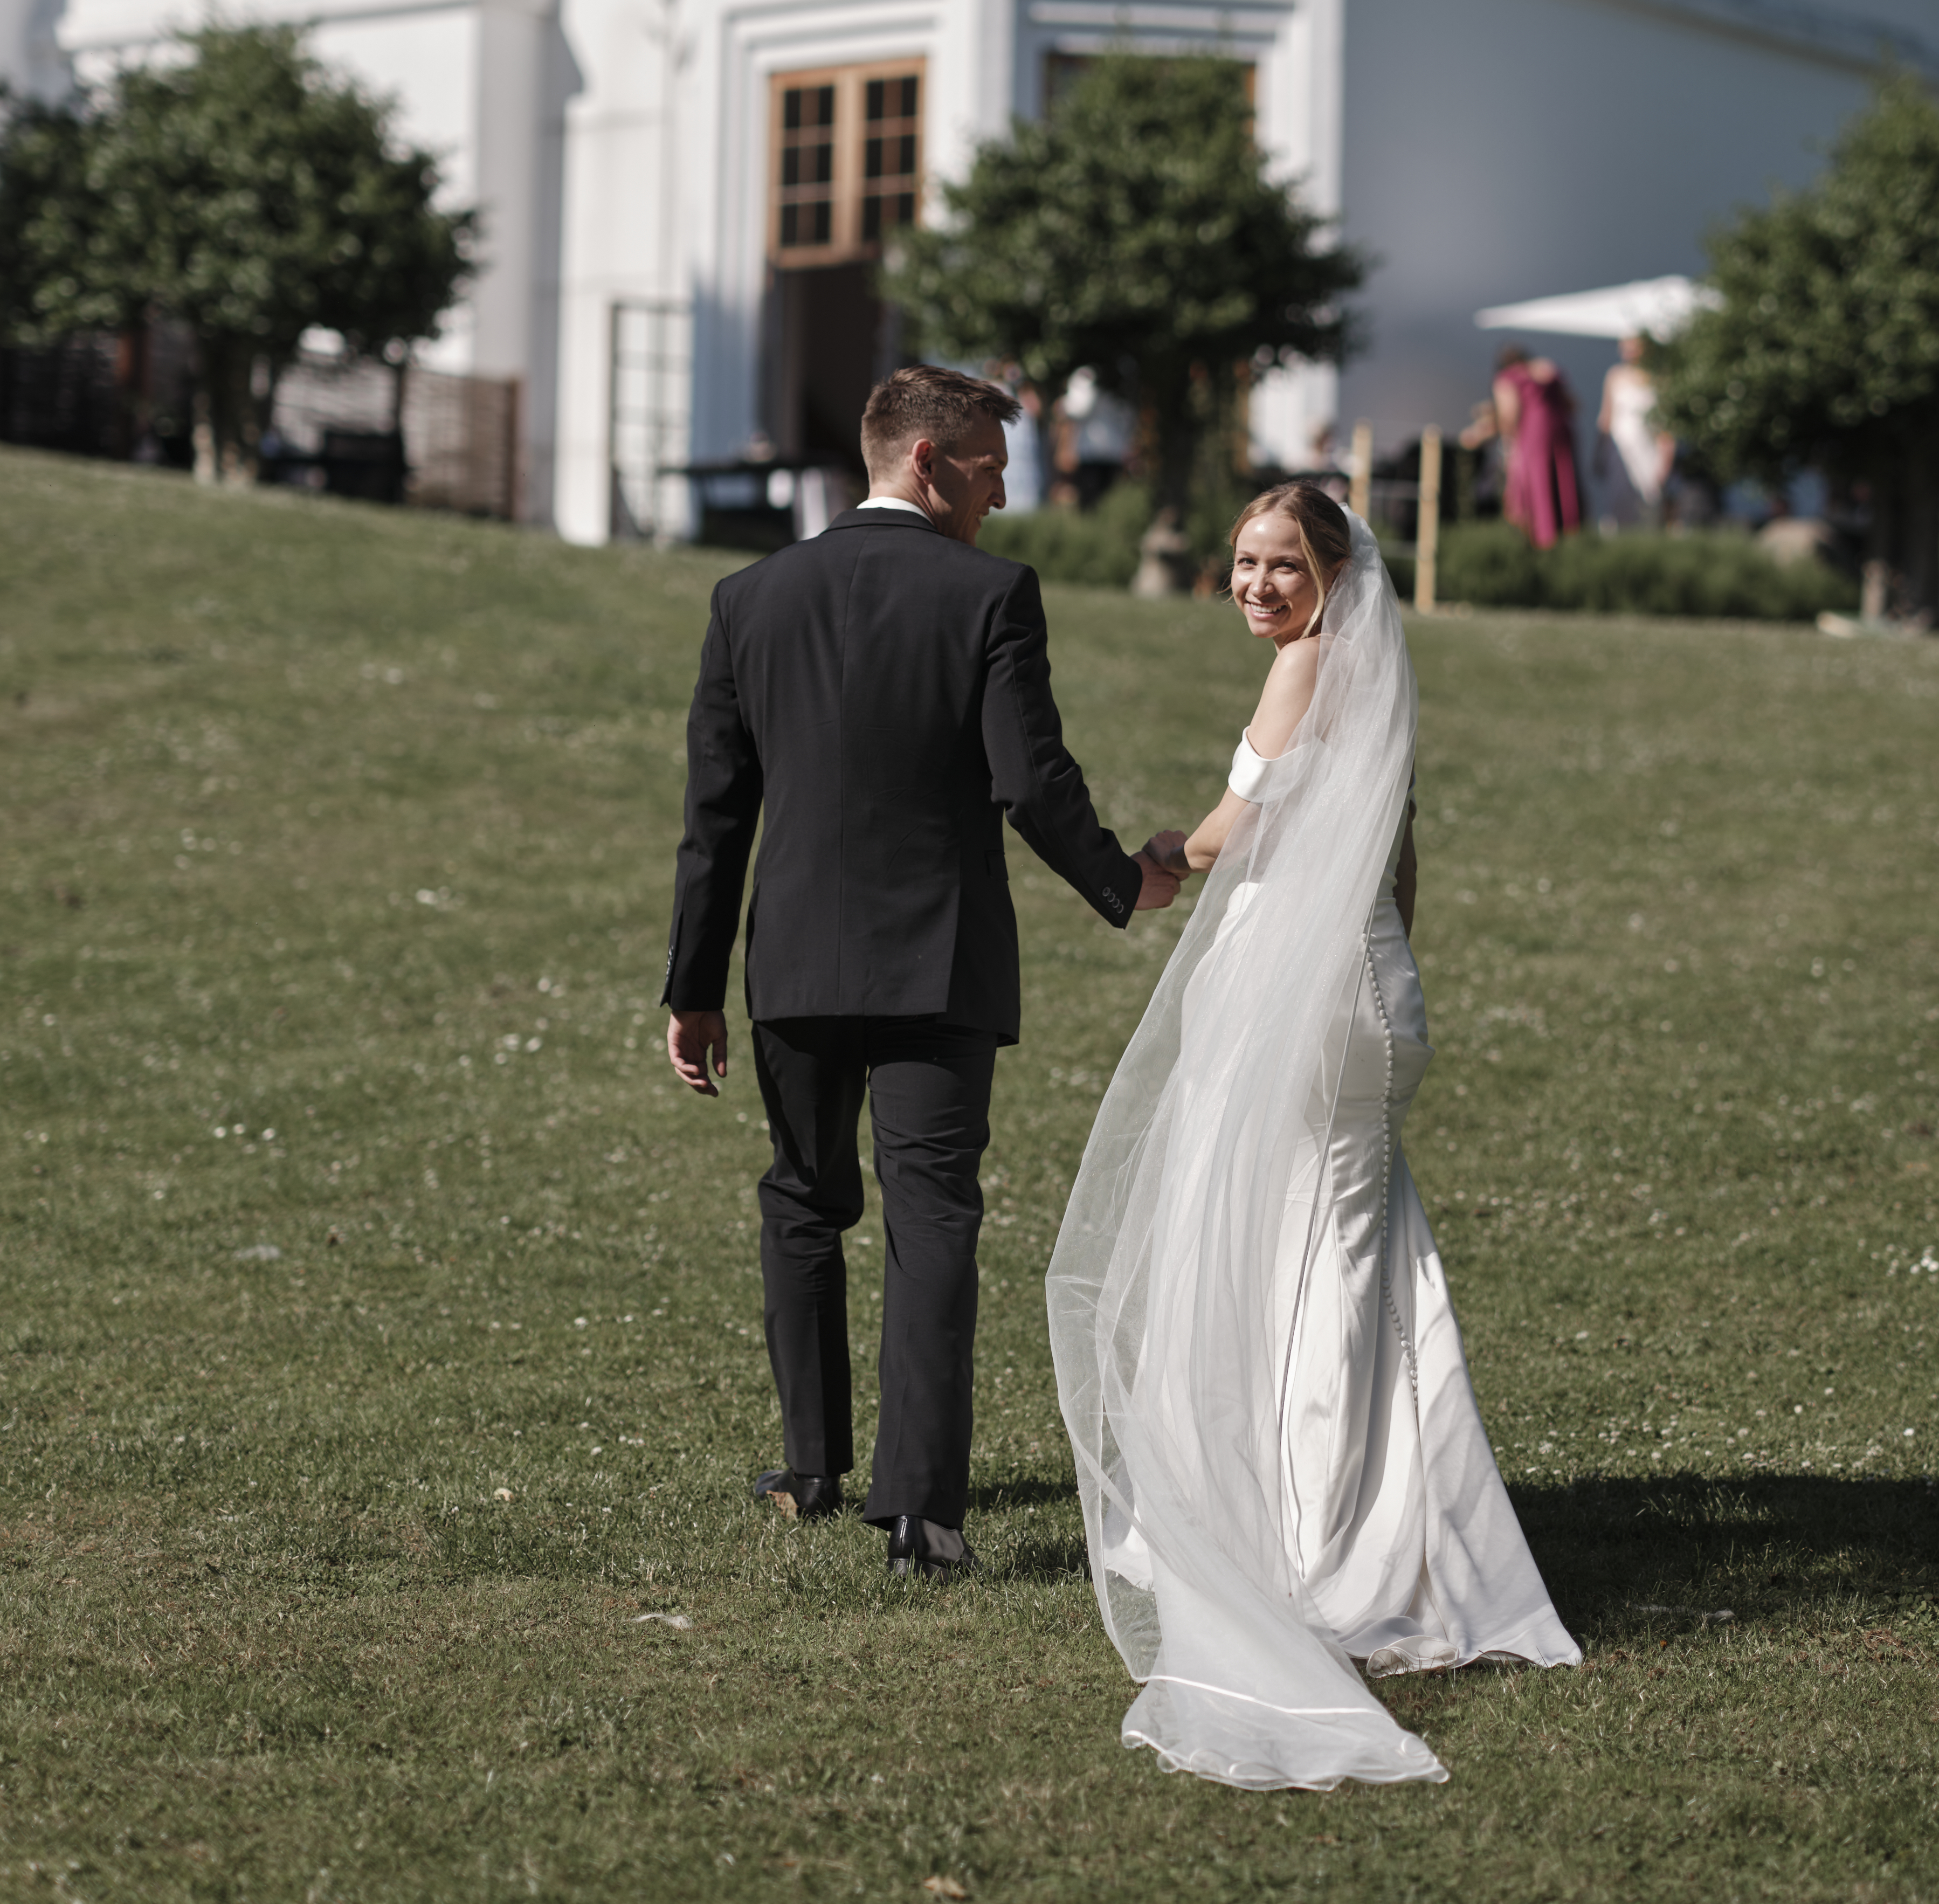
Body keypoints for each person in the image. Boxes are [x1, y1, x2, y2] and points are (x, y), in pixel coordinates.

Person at [1047, 484, 1579, 1790]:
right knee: (1343, 1254)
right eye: (1243, 561)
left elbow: (1245, 821)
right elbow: (1399, 850)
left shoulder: (1307, 666)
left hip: (1320, 996)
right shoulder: (1372, 670)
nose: (1256, 585)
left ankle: (1335, 1561)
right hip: (1360, 980)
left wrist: (1167, 849)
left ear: (1335, 571)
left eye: (1283, 563)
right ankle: (1398, 1539)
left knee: (1316, 1262)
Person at [663, 364, 1181, 1579]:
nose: (1002, 497)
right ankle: (923, 1517)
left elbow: (715, 816)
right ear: (929, 462)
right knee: (933, 1214)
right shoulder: (992, 594)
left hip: (792, 961)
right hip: (939, 964)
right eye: (991, 471)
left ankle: (809, 1470)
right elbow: (1029, 781)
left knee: (803, 1200)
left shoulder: (749, 597)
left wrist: (692, 987)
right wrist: (1123, 880)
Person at [1496, 349, 1581, 547]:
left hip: (1532, 434)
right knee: (1562, 483)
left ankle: (1541, 540)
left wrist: (1508, 443)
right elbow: (1573, 405)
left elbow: (1509, 413)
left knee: (1534, 484)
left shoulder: (1509, 378)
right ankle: (1568, 536)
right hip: (1560, 432)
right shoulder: (1548, 371)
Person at [1593, 332, 1672, 532]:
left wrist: (1666, 456)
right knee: (1621, 496)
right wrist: (1599, 449)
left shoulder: (1659, 378)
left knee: (1650, 498)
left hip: (1648, 447)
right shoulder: (1615, 376)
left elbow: (1665, 425)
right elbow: (1606, 415)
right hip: (1620, 445)